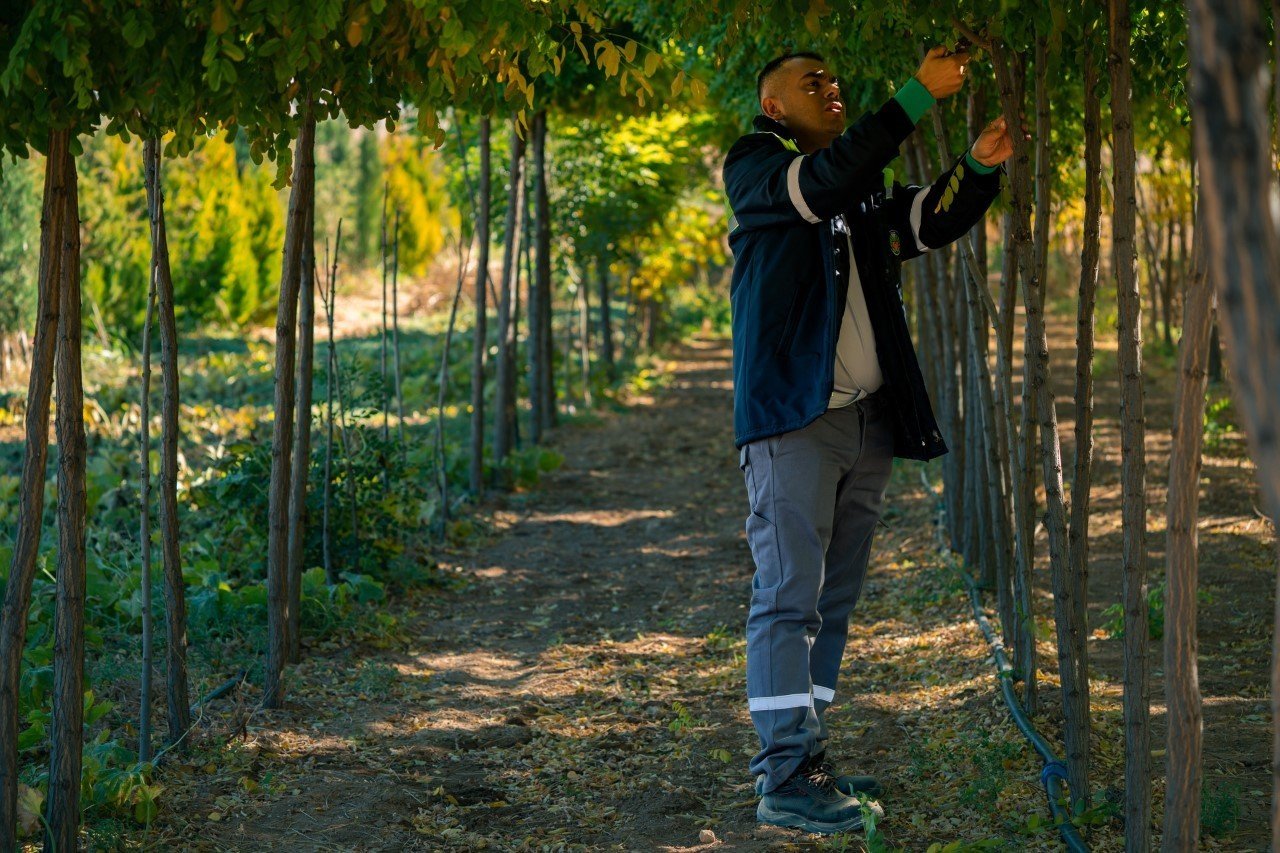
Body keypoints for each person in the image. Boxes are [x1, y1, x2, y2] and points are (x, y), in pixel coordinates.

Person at [721, 46, 1014, 834]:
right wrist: (916, 95)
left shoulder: (854, 191)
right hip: (795, 420)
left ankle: (809, 756)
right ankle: (783, 774)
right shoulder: (758, 166)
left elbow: (923, 219)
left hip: (865, 422)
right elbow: (822, 184)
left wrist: (977, 168)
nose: (832, 89)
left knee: (831, 601)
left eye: (835, 80)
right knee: (788, 595)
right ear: (774, 107)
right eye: (811, 82)